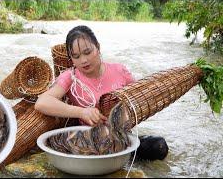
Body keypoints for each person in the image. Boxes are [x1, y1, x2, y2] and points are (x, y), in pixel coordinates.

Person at [35, 25, 168, 161]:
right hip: (90, 142)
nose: (83, 60)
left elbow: (140, 97)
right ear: (71, 58)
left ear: (97, 47)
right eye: (76, 56)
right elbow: (42, 103)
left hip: (121, 139)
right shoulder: (71, 77)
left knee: (159, 146)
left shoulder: (119, 71)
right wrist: (82, 112)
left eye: (87, 52)